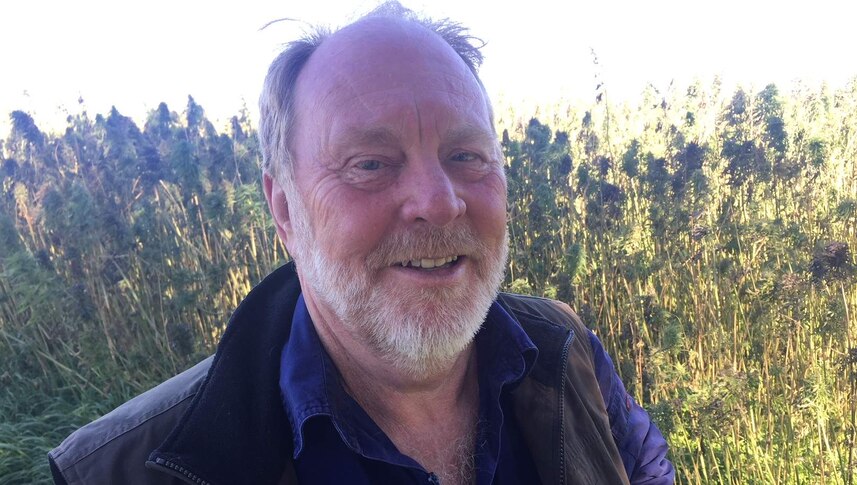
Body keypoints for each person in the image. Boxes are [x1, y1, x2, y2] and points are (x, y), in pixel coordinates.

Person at [48, 3, 673, 484]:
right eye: (371, 164)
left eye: (466, 155)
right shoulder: (126, 470)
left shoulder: (566, 354)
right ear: (285, 209)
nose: (438, 201)